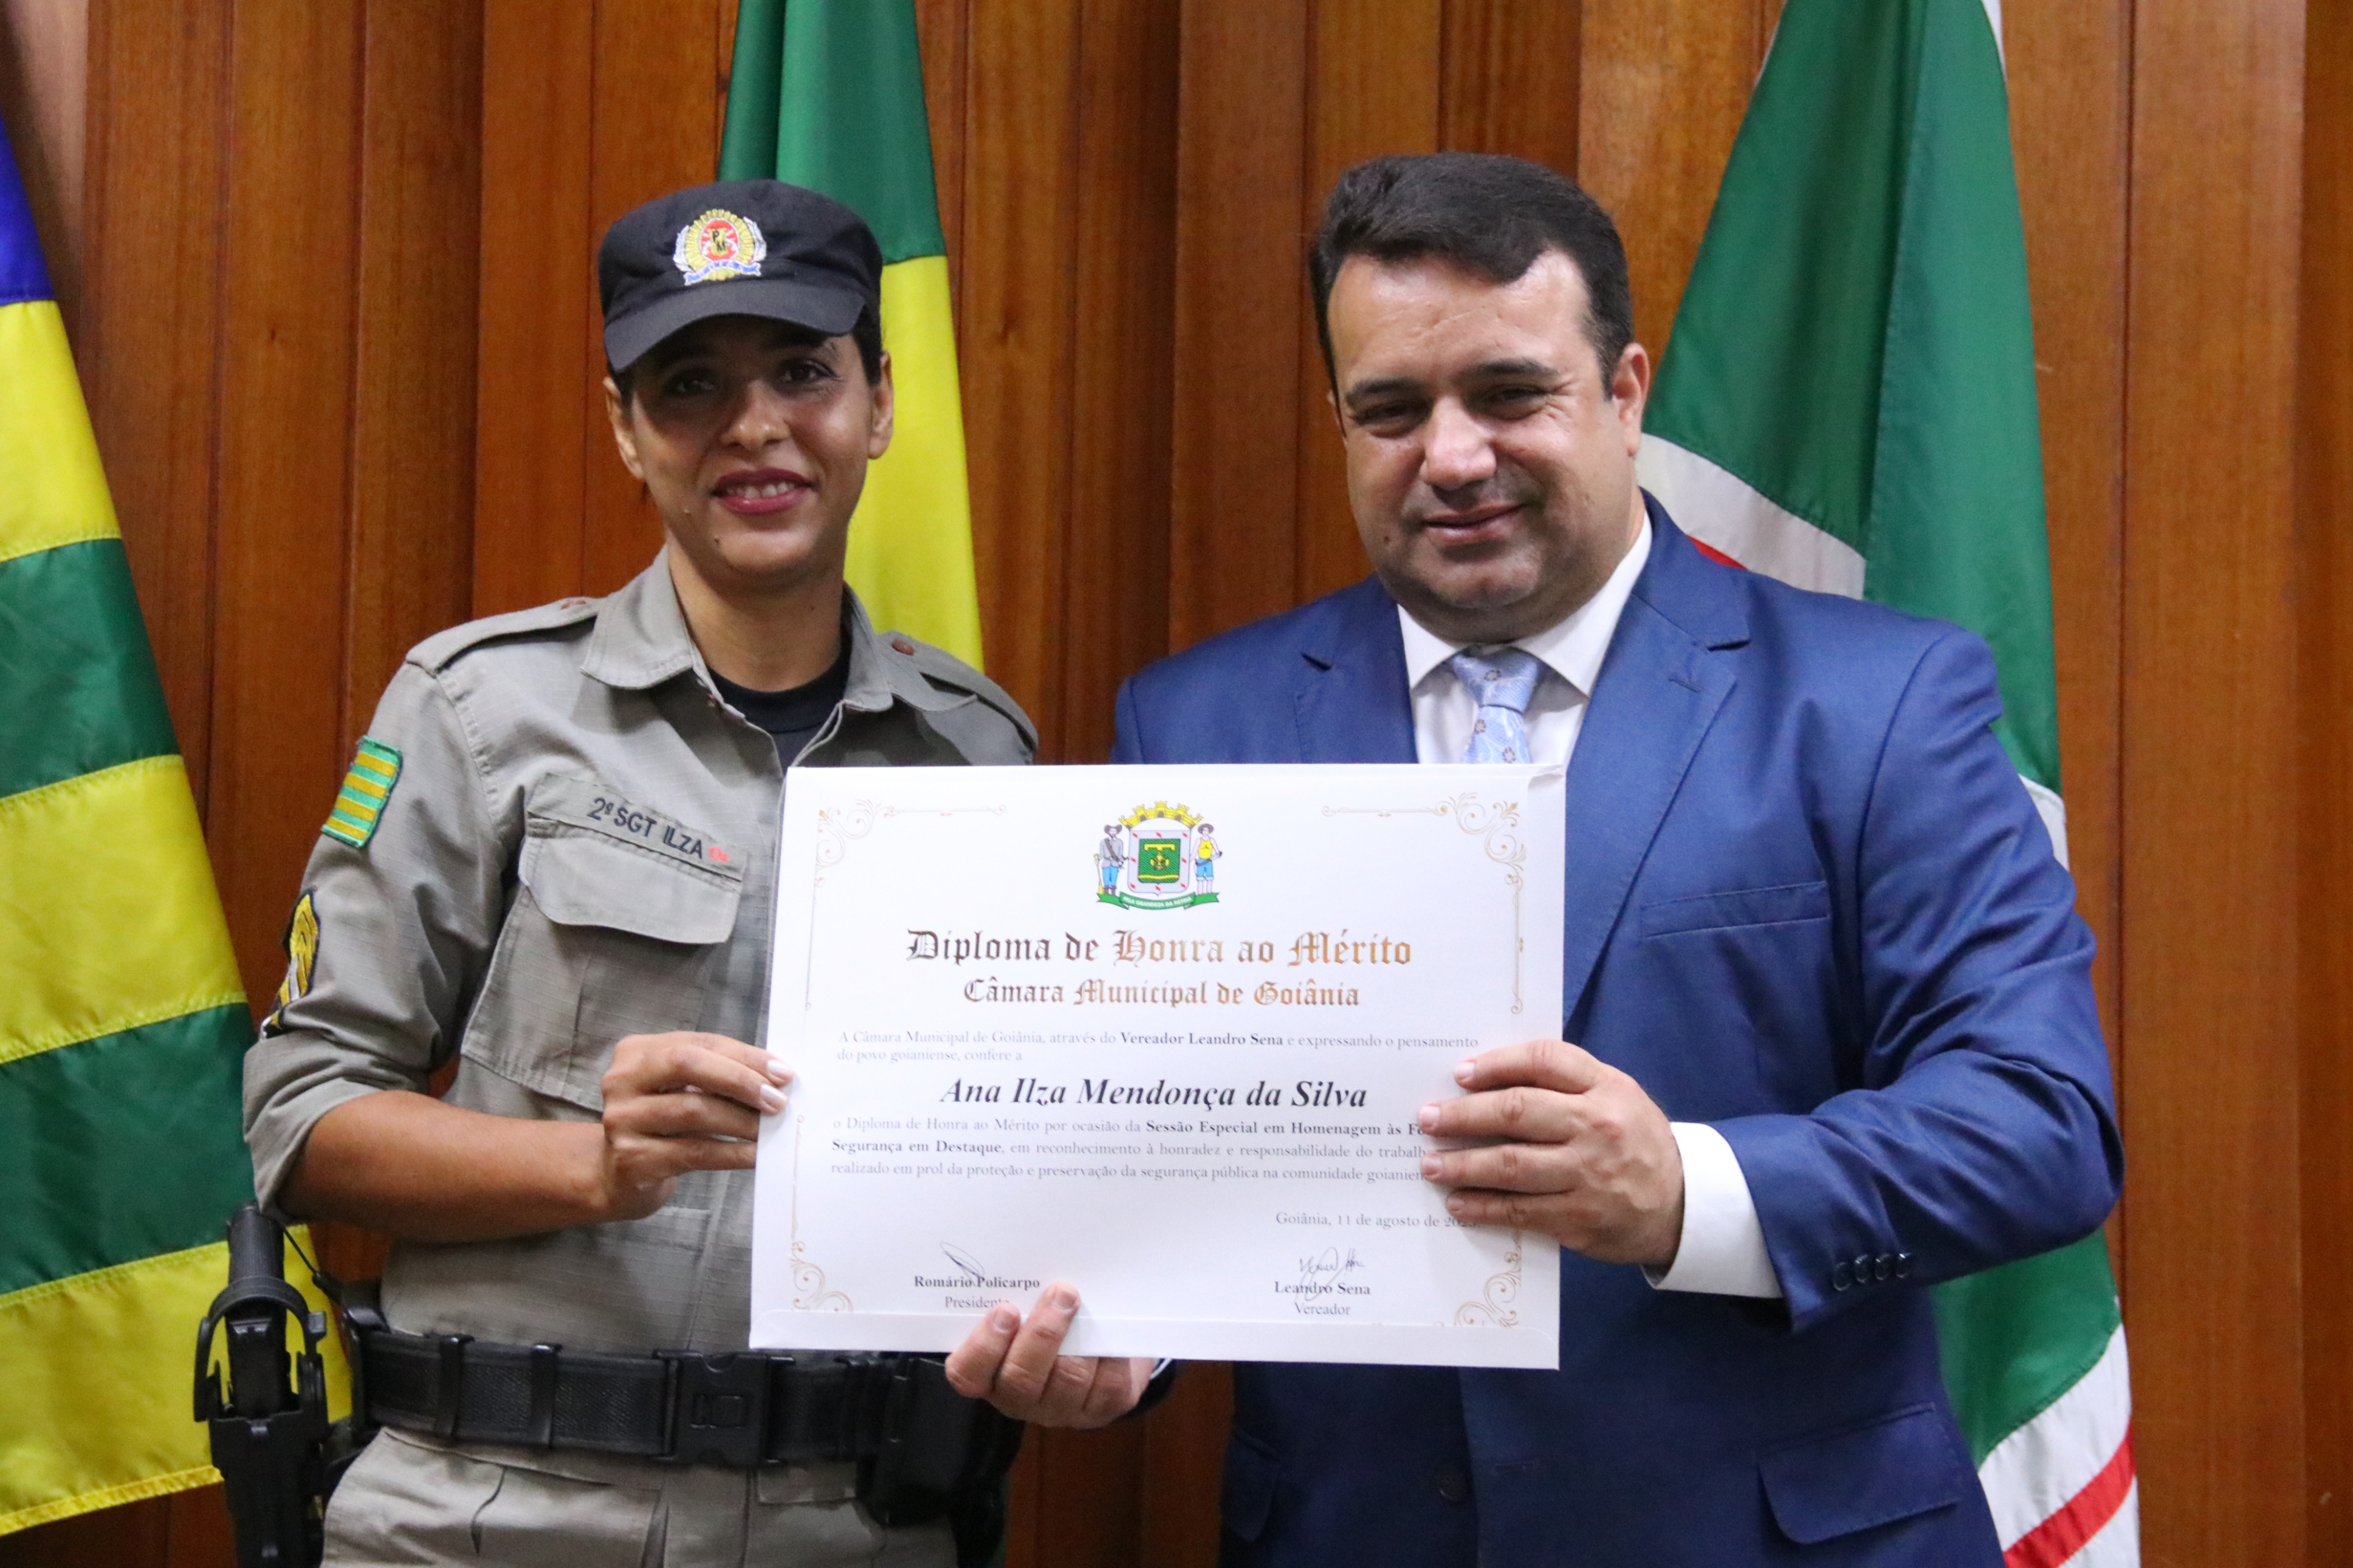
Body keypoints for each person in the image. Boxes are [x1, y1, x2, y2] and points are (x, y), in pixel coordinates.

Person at [1110, 152, 2122, 1564]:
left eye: (1508, 393)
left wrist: (1685, 1192)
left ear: (1626, 392)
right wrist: (1120, 1334)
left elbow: (2037, 1122)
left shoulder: (1877, 703)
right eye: (1391, 410)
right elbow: (1159, 1137)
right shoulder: (1195, 724)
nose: (1451, 456)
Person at [244, 180, 1150, 1568]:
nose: (754, 425)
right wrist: (593, 1165)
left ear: (879, 402)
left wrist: (1095, 1324)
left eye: (802, 372)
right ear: (625, 428)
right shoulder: (481, 708)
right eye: (689, 385)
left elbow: (1026, 1143)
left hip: (849, 1528)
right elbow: (299, 1118)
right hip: (499, 1518)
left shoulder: (979, 749)